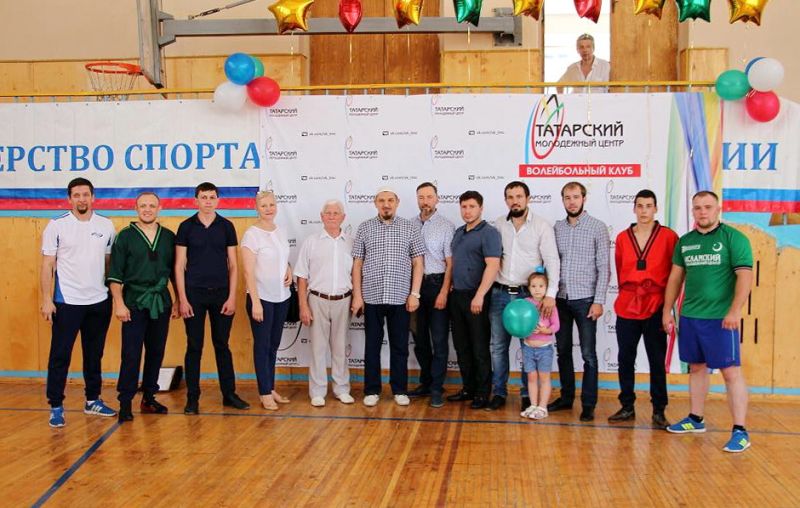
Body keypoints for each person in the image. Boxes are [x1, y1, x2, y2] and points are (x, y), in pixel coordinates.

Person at [663, 191, 753, 453]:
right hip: (691, 317)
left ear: (718, 209)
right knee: (696, 367)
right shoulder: (685, 242)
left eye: (708, 207)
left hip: (721, 319)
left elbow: (745, 277)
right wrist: (667, 310)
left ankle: (740, 431)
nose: (703, 212)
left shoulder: (734, 238)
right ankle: (695, 418)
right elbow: (675, 278)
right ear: (692, 211)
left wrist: (735, 310)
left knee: (730, 372)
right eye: (698, 208)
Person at [40, 177, 117, 427]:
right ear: (69, 198)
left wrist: (113, 295)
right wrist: (46, 299)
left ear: (93, 197)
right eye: (76, 195)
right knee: (60, 355)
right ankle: (56, 405)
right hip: (67, 301)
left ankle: (92, 400)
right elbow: (47, 265)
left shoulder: (106, 225)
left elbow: (108, 263)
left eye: (85, 195)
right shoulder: (56, 226)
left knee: (94, 354)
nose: (81, 199)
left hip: (99, 301)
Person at [175, 182, 249, 414]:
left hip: (221, 295)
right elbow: (179, 266)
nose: (208, 201)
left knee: (222, 345)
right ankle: (192, 398)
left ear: (218, 200)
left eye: (212, 197)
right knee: (194, 346)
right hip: (193, 295)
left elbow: (234, 265)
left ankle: (229, 394)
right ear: (196, 200)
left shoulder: (226, 226)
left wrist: (232, 297)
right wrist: (182, 299)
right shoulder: (186, 227)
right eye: (204, 197)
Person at [608, 190, 678, 429]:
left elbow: (676, 273)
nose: (644, 210)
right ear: (634, 208)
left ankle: (659, 409)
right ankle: (627, 405)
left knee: (656, 359)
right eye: (640, 206)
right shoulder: (622, 237)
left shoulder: (669, 237)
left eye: (649, 206)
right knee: (625, 357)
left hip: (656, 304)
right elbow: (620, 270)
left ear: (656, 208)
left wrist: (668, 307)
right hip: (628, 303)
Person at [351, 187, 425, 407]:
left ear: (397, 202)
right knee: (372, 346)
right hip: (371, 297)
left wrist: (415, 294)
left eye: (390, 200)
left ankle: (399, 389)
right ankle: (372, 390)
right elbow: (357, 264)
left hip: (400, 298)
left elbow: (418, 263)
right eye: (382, 200)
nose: (386, 204)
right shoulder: (364, 228)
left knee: (400, 346)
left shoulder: (410, 227)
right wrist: (357, 295)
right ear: (375, 203)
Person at [489, 181, 560, 412]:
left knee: (527, 346)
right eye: (510, 197)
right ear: (506, 200)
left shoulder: (541, 226)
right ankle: (499, 392)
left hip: (528, 295)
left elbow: (552, 261)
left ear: (528, 198)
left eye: (519, 196)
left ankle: (527, 395)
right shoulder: (498, 224)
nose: (515, 201)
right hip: (500, 292)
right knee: (498, 346)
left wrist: (550, 294)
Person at [107, 192, 177, 423]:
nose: (147, 209)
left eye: (152, 206)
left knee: (156, 351)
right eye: (143, 206)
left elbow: (175, 272)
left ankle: (148, 397)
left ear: (159, 208)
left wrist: (178, 300)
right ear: (136, 208)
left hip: (160, 301)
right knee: (131, 353)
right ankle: (125, 401)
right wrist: (119, 303)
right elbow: (115, 274)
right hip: (134, 301)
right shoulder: (125, 237)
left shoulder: (168, 237)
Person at [549, 181, 610, 422]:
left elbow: (604, 267)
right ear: (562, 200)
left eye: (576, 197)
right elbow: (551, 261)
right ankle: (566, 398)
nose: (572, 202)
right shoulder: (556, 228)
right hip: (560, 300)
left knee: (588, 355)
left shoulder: (597, 227)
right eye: (567, 197)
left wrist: (599, 300)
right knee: (563, 351)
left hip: (586, 300)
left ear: (584, 198)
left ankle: (588, 404)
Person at [295, 200, 356, 407]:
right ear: (321, 217)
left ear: (343, 217)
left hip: (344, 300)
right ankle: (317, 391)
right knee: (318, 349)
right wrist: (303, 305)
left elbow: (356, 274)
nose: (331, 216)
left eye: (336, 213)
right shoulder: (311, 242)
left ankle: (342, 389)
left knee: (340, 348)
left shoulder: (351, 242)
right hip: (317, 300)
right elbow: (301, 277)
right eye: (328, 213)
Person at [447, 191, 502, 409]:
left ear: (481, 208)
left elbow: (493, 265)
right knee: (462, 346)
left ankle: (482, 392)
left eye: (472, 206)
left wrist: (479, 295)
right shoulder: (459, 232)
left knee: (479, 347)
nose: (467, 211)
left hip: (477, 296)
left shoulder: (489, 233)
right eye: (464, 207)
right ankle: (468, 388)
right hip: (457, 296)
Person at [241, 191, 293, 411]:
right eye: (264, 206)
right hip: (261, 298)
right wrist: (256, 302)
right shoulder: (251, 235)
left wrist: (288, 268)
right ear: (257, 208)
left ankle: (270, 387)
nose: (268, 209)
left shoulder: (280, 230)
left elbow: (281, 258)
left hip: (282, 297)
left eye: (272, 205)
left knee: (273, 345)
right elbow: (248, 272)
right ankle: (264, 392)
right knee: (262, 346)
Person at [407, 183, 455, 409]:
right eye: (421, 197)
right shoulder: (408, 225)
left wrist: (444, 291)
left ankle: (437, 388)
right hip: (414, 288)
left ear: (437, 199)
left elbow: (450, 263)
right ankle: (425, 383)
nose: (425, 201)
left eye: (429, 197)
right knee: (419, 339)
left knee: (439, 340)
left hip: (437, 286)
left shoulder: (446, 226)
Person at [519, 270, 560, 420]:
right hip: (528, 348)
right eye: (534, 286)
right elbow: (520, 320)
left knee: (544, 378)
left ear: (547, 288)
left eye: (541, 286)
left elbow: (556, 325)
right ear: (528, 288)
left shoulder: (550, 305)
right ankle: (533, 405)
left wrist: (545, 330)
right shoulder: (525, 303)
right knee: (531, 377)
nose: (537, 289)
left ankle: (543, 407)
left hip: (544, 349)